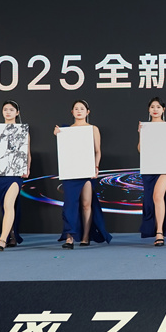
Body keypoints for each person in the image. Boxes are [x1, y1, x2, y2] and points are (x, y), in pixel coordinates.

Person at [54, 100, 112, 249]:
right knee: (69, 204)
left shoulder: (93, 129)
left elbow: (98, 151)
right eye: (76, 108)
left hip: (87, 171)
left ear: (88, 112)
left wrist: (96, 167)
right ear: (72, 112)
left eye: (82, 108)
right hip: (70, 172)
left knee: (86, 204)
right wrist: (58, 135)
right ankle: (69, 237)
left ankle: (85, 237)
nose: (79, 111)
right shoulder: (65, 130)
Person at [138, 96, 166, 246]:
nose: (155, 109)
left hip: (164, 167)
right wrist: (140, 133)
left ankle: (159, 232)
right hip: (149, 168)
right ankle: (157, 229)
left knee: (158, 196)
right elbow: (140, 149)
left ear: (163, 109)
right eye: (152, 107)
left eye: (158, 107)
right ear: (148, 110)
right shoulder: (145, 127)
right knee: (150, 199)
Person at [0, 100, 30, 251]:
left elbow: (27, 152)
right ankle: (12, 234)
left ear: (17, 113)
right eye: (5, 109)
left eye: (11, 110)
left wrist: (27, 168)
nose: (8, 112)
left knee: (9, 204)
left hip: (15, 174)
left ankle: (2, 239)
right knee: (6, 207)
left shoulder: (22, 130)